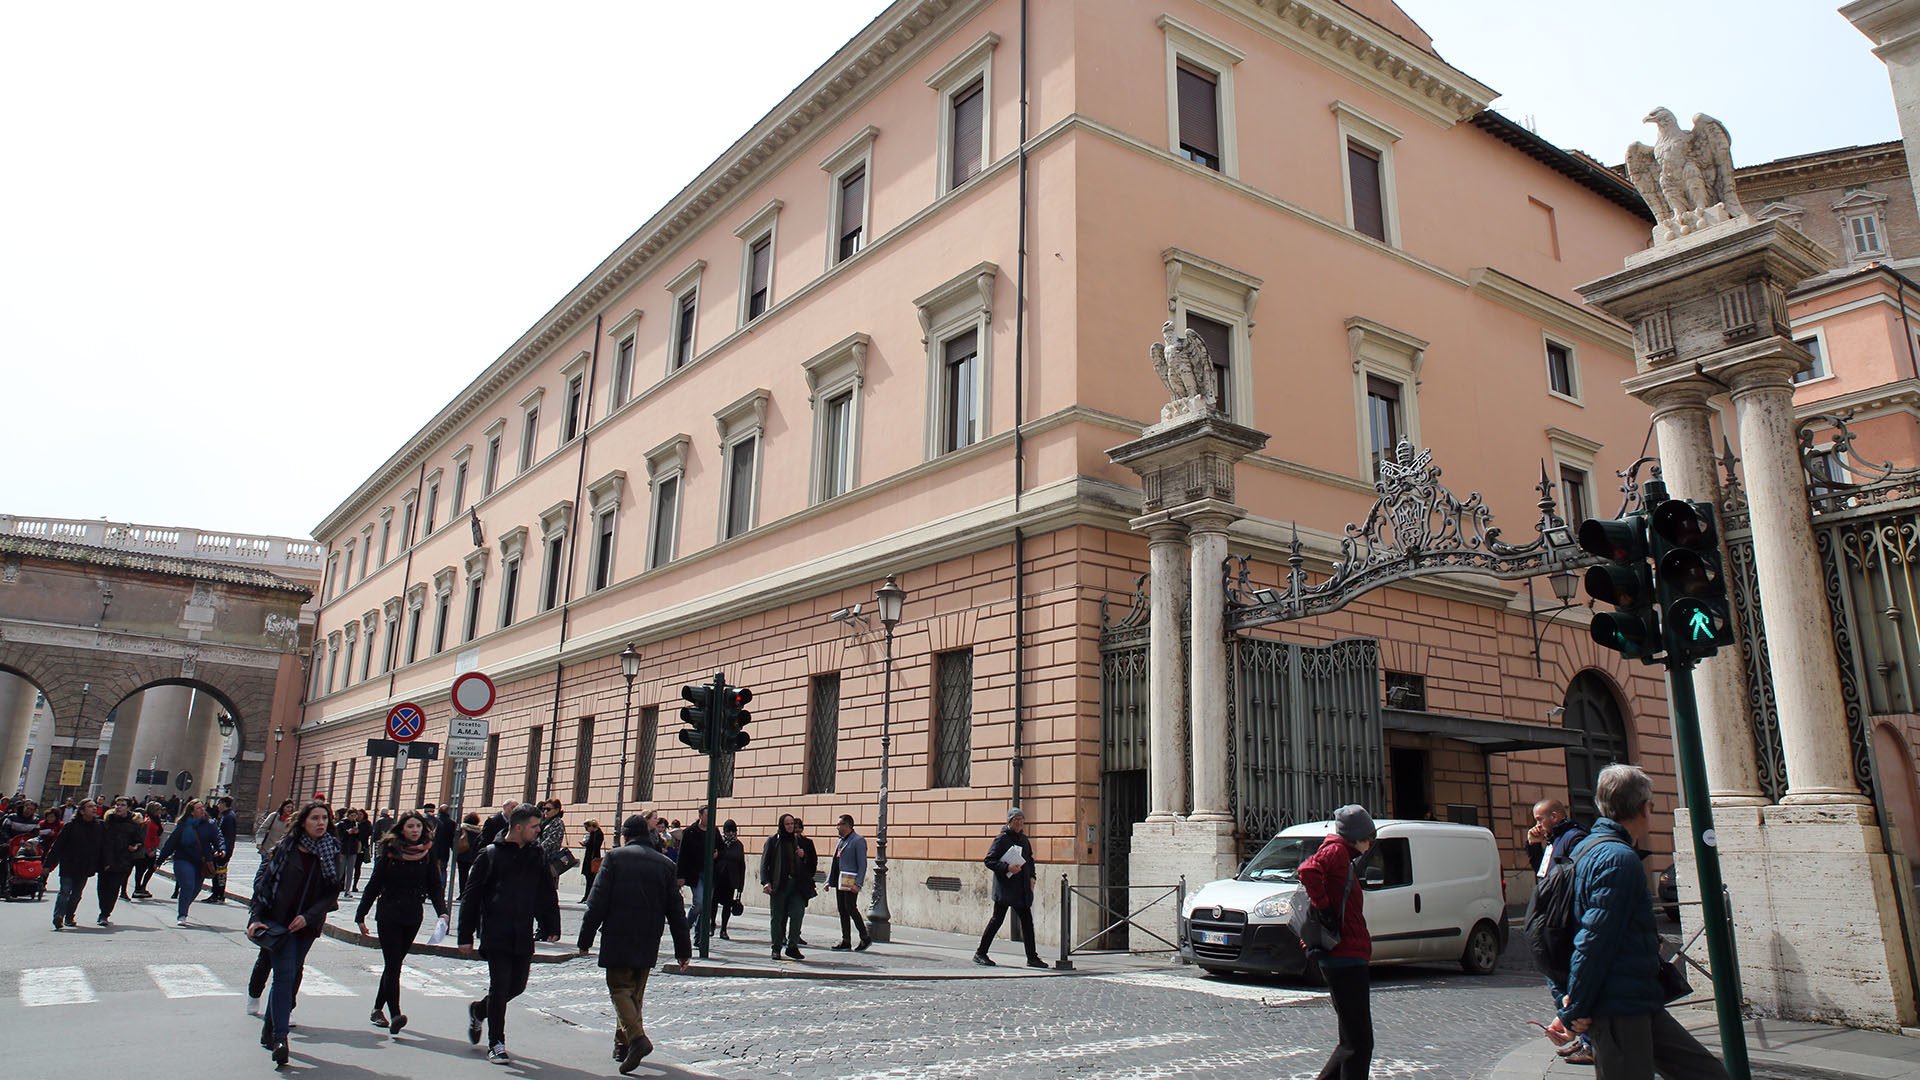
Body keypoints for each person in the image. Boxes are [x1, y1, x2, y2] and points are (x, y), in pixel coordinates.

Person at [1548, 765, 1730, 1080]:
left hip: (1637, 999)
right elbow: (1593, 941)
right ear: (1645, 808)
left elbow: (1562, 934)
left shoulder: (1584, 851)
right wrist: (1572, 1009)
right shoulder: (1619, 859)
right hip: (1619, 1008)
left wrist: (1568, 1002)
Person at [579, 814, 692, 1074]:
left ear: (626, 836)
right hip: (648, 936)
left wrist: (585, 939)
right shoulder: (664, 863)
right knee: (635, 994)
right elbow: (676, 910)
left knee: (619, 988)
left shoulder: (615, 858)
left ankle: (638, 1040)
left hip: (618, 934)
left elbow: (596, 901)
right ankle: (623, 1043)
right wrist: (683, 950)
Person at [459, 804, 560, 1065]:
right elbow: (471, 898)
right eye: (534, 826)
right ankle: (496, 1043)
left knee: (517, 986)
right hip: (496, 931)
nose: (539, 830)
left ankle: (480, 1009)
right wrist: (465, 935)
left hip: (522, 932)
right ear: (518, 827)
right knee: (500, 985)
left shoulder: (536, 854)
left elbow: (546, 891)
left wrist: (551, 925)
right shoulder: (490, 854)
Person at [247, 802, 342, 1066]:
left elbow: (331, 894)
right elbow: (264, 887)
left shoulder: (332, 851)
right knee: (284, 976)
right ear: (303, 822)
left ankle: (269, 1027)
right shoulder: (286, 849)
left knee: (292, 972)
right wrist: (255, 918)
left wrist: (307, 917)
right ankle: (280, 1037)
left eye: (325, 818)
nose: (321, 823)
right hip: (279, 923)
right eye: (315, 818)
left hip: (307, 925)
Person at [1299, 805, 1377, 1080]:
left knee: (1351, 1042)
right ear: (1357, 835)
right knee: (1360, 1043)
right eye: (1369, 837)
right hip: (1343, 956)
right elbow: (1308, 870)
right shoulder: (1336, 851)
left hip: (1348, 954)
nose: (1370, 844)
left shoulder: (1345, 856)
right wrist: (1323, 907)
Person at [356, 810, 449, 1036]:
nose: (415, 830)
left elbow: (435, 886)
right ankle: (396, 1013)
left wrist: (443, 913)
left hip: (413, 914)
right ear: (401, 829)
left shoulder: (427, 853)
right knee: (393, 963)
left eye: (418, 826)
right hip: (389, 912)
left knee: (393, 964)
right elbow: (374, 884)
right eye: (410, 827)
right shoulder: (390, 852)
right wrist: (361, 915)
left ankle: (377, 1008)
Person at [1527, 797, 1593, 1064]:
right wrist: (1533, 846)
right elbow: (1542, 873)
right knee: (1555, 978)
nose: (1537, 824)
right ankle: (1581, 1038)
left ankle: (1589, 1041)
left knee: (1563, 980)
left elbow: (1569, 877)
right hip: (1551, 915)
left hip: (1562, 919)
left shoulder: (1574, 838)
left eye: (1540, 818)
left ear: (1555, 816)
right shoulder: (1554, 841)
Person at [974, 808, 1043, 968]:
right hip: (1006, 888)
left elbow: (1030, 859)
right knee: (997, 920)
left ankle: (1032, 957)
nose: (1019, 823)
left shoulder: (1024, 839)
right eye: (1016, 820)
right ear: (1009, 822)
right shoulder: (1001, 839)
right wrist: (1007, 868)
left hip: (1022, 888)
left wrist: (1033, 877)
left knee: (1027, 923)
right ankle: (980, 953)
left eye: (1021, 820)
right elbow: (989, 860)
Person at [156, 798, 225, 925]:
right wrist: (159, 860)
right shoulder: (183, 825)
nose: (202, 809)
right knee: (188, 885)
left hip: (202, 861)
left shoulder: (210, 824)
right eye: (198, 808)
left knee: (196, 888)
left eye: (202, 807)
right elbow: (170, 844)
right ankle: (182, 915)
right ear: (192, 812)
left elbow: (218, 838)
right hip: (183, 859)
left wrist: (221, 849)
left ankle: (184, 905)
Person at [45, 798, 105, 931]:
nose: (94, 809)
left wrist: (103, 863)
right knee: (65, 891)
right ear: (82, 811)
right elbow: (58, 846)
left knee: (77, 893)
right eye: (90, 807)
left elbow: (102, 847)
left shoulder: (99, 826)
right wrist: (48, 865)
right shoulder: (71, 826)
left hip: (85, 866)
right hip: (69, 864)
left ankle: (69, 916)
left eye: (95, 806)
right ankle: (59, 915)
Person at [760, 814, 810, 961]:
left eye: (792, 824)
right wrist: (766, 882)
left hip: (796, 885)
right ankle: (776, 948)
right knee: (777, 918)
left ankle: (792, 946)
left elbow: (808, 861)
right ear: (782, 825)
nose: (790, 826)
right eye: (787, 824)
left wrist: (803, 855)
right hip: (779, 884)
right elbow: (764, 863)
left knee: (798, 912)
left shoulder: (797, 840)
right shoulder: (773, 840)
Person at [97, 798, 143, 925]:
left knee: (113, 888)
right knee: (102, 888)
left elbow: (139, 841)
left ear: (128, 808)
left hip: (122, 861)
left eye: (122, 805)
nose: (119, 807)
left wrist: (134, 846)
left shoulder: (133, 825)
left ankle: (105, 914)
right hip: (105, 860)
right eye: (117, 805)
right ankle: (102, 909)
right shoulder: (107, 822)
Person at [830, 814, 872, 951]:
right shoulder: (840, 840)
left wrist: (858, 884)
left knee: (851, 908)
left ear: (847, 825)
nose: (837, 827)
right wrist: (829, 880)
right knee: (842, 910)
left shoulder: (858, 841)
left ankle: (865, 937)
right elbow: (835, 862)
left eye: (839, 824)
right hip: (840, 880)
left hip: (851, 881)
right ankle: (846, 940)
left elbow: (862, 864)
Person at [675, 808, 709, 939]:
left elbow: (721, 849)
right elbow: (682, 854)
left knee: (706, 906)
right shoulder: (690, 832)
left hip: (710, 873)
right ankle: (685, 928)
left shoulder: (714, 831)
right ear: (700, 815)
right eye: (707, 815)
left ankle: (699, 937)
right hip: (695, 873)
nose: (709, 818)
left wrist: (717, 853)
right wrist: (680, 875)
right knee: (699, 902)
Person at [713, 820, 746, 940]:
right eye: (728, 831)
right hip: (717, 878)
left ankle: (723, 929)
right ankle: (712, 924)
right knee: (713, 903)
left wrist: (741, 885)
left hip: (730, 880)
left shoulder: (738, 845)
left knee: (727, 905)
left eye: (733, 831)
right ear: (724, 831)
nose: (731, 834)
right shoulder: (718, 843)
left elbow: (742, 865)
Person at [336, 808, 370, 897]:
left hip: (353, 850)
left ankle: (348, 891)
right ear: (348, 815)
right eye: (352, 816)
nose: (354, 817)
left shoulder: (356, 824)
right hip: (343, 849)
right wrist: (347, 833)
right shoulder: (341, 824)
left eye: (355, 816)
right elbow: (339, 836)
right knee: (340, 871)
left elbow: (361, 837)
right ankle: (335, 889)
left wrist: (357, 832)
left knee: (350, 871)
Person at [134, 801, 164, 898]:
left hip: (153, 846)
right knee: (143, 869)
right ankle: (138, 888)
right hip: (148, 848)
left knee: (150, 868)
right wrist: (149, 850)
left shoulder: (156, 820)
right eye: (159, 810)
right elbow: (146, 837)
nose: (160, 812)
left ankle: (141, 887)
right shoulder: (149, 821)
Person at [538, 799, 571, 881]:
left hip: (550, 862)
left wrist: (535, 850)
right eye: (544, 809)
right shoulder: (545, 822)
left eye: (548, 809)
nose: (545, 811)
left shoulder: (557, 823)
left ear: (556, 810)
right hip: (541, 860)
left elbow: (550, 842)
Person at [455, 811, 483, 897]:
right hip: (474, 855)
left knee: (462, 875)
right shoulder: (479, 831)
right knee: (473, 876)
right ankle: (469, 893)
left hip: (462, 854)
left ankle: (462, 893)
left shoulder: (462, 829)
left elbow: (456, 841)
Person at [580, 820, 605, 903]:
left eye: (587, 828)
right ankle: (586, 897)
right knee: (588, 878)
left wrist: (587, 843)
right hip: (589, 858)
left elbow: (595, 846)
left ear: (591, 826)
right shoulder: (592, 834)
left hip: (593, 859)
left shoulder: (598, 834)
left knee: (592, 879)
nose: (586, 830)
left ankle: (589, 897)